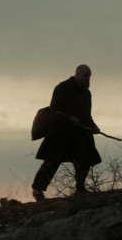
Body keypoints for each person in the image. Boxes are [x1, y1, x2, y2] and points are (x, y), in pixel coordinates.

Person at [32, 64, 102, 200]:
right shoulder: (63, 87)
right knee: (52, 161)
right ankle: (37, 190)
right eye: (85, 75)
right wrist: (69, 117)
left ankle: (80, 189)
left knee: (84, 159)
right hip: (61, 132)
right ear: (77, 75)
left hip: (80, 133)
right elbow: (54, 108)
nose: (88, 79)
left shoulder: (87, 94)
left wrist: (94, 126)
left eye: (89, 76)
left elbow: (87, 115)